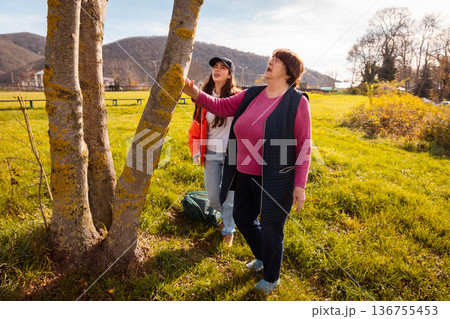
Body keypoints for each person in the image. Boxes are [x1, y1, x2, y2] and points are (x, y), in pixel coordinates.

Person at [183, 49, 311, 294]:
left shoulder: (297, 101)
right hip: (244, 172)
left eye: (277, 60)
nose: (270, 61)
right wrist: (195, 93)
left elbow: (304, 144)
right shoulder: (252, 94)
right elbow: (220, 106)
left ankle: (272, 277)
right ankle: (263, 257)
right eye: (270, 58)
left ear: (289, 72)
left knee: (273, 228)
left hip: (276, 178)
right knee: (242, 218)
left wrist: (299, 185)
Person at [188, 57, 240, 247]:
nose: (217, 69)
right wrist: (195, 149)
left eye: (223, 67)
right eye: (215, 67)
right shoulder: (203, 97)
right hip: (210, 153)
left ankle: (229, 230)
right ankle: (232, 218)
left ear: (229, 74)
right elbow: (196, 126)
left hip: (232, 154)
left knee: (230, 197)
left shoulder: (238, 97)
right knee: (213, 197)